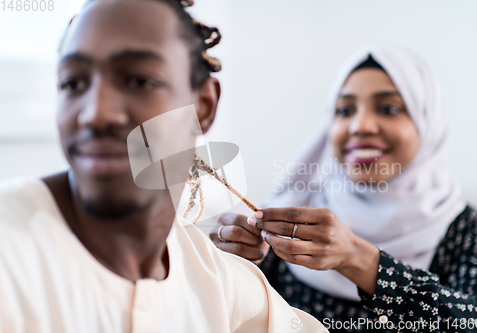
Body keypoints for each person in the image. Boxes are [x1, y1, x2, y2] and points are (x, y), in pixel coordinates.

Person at [0, 0, 328, 332]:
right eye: (72, 83)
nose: (96, 114)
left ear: (203, 106)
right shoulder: (11, 253)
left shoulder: (217, 282)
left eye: (139, 81)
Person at [211, 45, 477, 332]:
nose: (360, 126)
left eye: (388, 108)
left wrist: (360, 259)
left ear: (427, 122)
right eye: (345, 110)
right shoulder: (290, 218)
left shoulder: (473, 232)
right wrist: (229, 267)